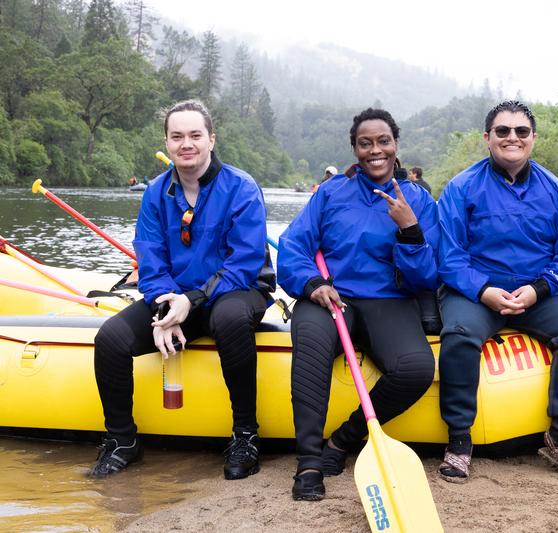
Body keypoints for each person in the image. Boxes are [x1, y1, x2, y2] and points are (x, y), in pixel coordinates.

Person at [89, 100, 275, 480]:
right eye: (177, 136)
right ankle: (123, 439)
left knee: (228, 319)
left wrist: (191, 301)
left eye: (194, 135)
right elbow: (151, 260)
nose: (185, 143)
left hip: (236, 291)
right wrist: (166, 308)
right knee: (110, 338)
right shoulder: (156, 193)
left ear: (211, 139)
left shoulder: (241, 187)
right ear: (167, 142)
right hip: (177, 297)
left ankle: (245, 435)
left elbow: (243, 262)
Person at [278, 108, 439, 500]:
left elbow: (429, 276)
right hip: (334, 299)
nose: (375, 150)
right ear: (355, 149)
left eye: (383, 141)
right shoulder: (331, 192)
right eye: (365, 143)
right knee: (312, 343)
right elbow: (293, 247)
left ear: (395, 145)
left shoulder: (417, 199)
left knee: (417, 369)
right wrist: (312, 283)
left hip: (391, 302)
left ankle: (342, 442)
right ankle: (310, 461)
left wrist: (410, 229)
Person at [436, 100, 558, 480]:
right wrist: (483, 291)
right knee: (458, 334)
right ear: (487, 138)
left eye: (521, 131)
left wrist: (540, 289)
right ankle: (459, 439)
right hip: (476, 291)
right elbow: (449, 256)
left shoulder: (556, 191)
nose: (512, 138)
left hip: (538, 291)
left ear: (533, 139)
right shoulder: (461, 188)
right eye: (503, 131)